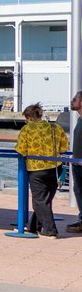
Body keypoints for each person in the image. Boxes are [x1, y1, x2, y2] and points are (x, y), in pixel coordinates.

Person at [13, 103, 68, 237]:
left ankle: (50, 230)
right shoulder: (55, 127)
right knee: (45, 200)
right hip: (54, 167)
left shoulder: (27, 129)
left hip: (36, 168)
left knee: (39, 200)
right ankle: (33, 226)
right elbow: (63, 147)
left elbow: (21, 149)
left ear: (28, 117)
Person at [62, 92, 82, 233]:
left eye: (75, 99)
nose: (72, 101)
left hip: (80, 163)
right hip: (77, 162)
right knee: (78, 191)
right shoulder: (80, 120)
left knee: (80, 191)